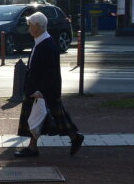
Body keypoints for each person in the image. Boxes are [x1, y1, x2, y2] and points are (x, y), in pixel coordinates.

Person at [15, 11, 84, 158]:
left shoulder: (46, 45)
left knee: (43, 118)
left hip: (43, 91)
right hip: (40, 90)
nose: (28, 29)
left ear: (38, 26)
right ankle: (34, 147)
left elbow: (49, 72)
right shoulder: (42, 41)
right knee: (45, 118)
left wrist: (41, 90)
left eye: (30, 26)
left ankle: (73, 137)